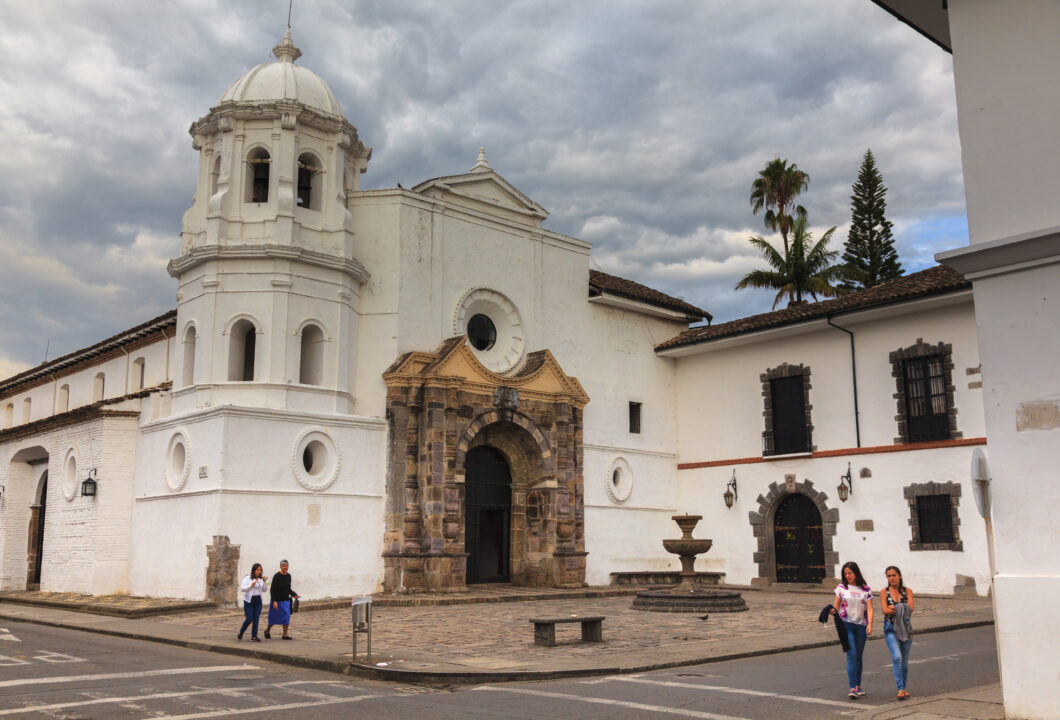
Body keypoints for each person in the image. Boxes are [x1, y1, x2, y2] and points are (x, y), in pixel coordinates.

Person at [831, 561, 873, 699]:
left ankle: (858, 686)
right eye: (845, 573)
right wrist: (832, 613)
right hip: (846, 624)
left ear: (856, 573)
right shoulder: (841, 588)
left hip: (861, 625)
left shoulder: (865, 589)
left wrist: (870, 623)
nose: (848, 575)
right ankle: (852, 687)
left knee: (859, 656)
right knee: (852, 654)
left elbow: (870, 608)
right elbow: (836, 606)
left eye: (850, 573)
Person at [881, 565, 915, 700]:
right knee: (897, 657)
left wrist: (893, 607)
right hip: (890, 627)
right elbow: (885, 610)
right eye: (889, 576)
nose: (891, 578)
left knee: (904, 661)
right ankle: (900, 688)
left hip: (905, 628)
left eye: (894, 575)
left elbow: (911, 609)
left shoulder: (908, 591)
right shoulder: (884, 592)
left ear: (899, 576)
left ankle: (904, 687)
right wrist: (902, 607)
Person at [264, 559, 299, 640]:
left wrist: (294, 595)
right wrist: (274, 601)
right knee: (273, 618)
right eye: (283, 566)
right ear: (280, 567)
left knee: (286, 617)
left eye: (286, 566)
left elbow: (288, 589)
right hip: (277, 601)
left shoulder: (288, 576)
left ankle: (285, 635)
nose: (285, 567)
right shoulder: (277, 576)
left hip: (286, 601)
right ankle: (267, 630)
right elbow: (272, 589)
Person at [237, 562, 266, 641]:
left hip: (258, 600)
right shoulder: (248, 578)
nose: (259, 571)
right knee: (249, 618)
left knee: (256, 618)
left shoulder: (260, 579)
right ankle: (241, 632)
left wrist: (264, 582)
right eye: (257, 570)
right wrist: (251, 585)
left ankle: (254, 636)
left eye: (260, 570)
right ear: (254, 570)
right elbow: (242, 589)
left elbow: (264, 590)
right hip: (249, 600)